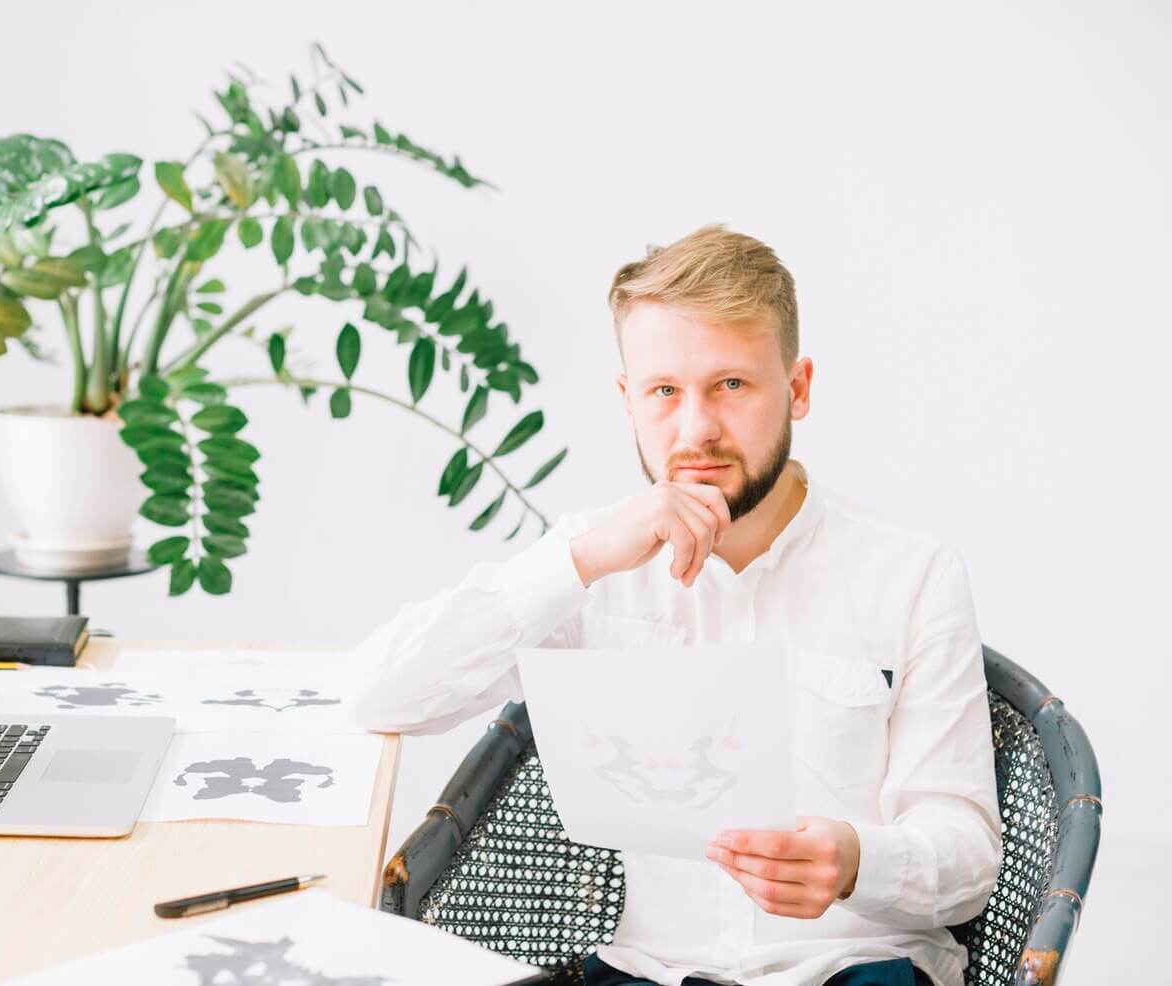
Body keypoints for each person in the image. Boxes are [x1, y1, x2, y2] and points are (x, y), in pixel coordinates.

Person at [343, 225, 1002, 986]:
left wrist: (859, 860)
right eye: (664, 392)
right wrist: (582, 558)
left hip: (856, 967)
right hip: (646, 972)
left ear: (798, 388)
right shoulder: (591, 569)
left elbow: (968, 853)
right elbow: (379, 693)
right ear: (628, 401)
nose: (697, 431)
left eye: (732, 385)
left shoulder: (912, 573)